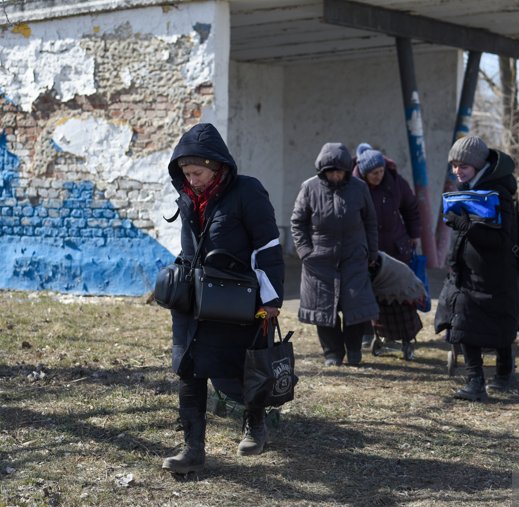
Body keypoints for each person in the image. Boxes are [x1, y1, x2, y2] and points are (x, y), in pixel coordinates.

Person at [161, 123, 284, 474]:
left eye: (196, 172)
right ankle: (192, 448)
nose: (192, 179)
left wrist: (270, 299)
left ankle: (255, 425)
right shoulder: (188, 199)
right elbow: (189, 250)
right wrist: (175, 283)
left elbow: (268, 247)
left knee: (243, 365)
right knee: (188, 367)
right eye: (186, 173)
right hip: (196, 300)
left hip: (238, 299)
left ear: (216, 166)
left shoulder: (248, 192)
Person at [434, 136, 519, 401]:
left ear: (479, 166)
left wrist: (463, 225)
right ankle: (475, 381)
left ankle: (504, 372)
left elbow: (500, 240)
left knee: (499, 328)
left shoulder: (500, 194)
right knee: (463, 322)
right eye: (454, 166)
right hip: (466, 273)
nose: (457, 171)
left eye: (463, 166)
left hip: (495, 275)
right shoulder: (467, 188)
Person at [291, 142, 379, 367]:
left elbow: (370, 220)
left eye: (339, 171)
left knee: (355, 305)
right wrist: (305, 252)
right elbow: (298, 222)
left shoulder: (359, 188)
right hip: (319, 259)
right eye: (331, 171)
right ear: (323, 171)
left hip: (354, 255)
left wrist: (371, 250)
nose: (335, 175)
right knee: (323, 307)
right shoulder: (309, 188)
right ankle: (332, 352)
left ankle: (354, 350)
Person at [353, 147, 422, 360]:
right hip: (367, 249)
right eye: (374, 173)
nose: (379, 176)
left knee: (398, 293)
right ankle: (371, 332)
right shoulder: (355, 187)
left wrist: (414, 234)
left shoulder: (396, 182)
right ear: (364, 173)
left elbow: (411, 207)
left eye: (381, 171)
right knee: (368, 292)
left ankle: (402, 334)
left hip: (396, 247)